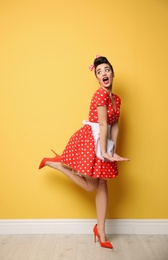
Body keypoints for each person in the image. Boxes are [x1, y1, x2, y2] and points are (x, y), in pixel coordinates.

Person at [39, 56, 129, 249]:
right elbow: (103, 123)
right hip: (92, 141)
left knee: (101, 185)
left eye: (106, 70)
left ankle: (101, 230)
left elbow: (115, 126)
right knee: (91, 187)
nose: (103, 74)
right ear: (96, 78)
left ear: (113, 73)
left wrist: (113, 151)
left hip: (105, 141)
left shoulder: (117, 99)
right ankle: (56, 163)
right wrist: (104, 152)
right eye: (99, 72)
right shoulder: (100, 95)